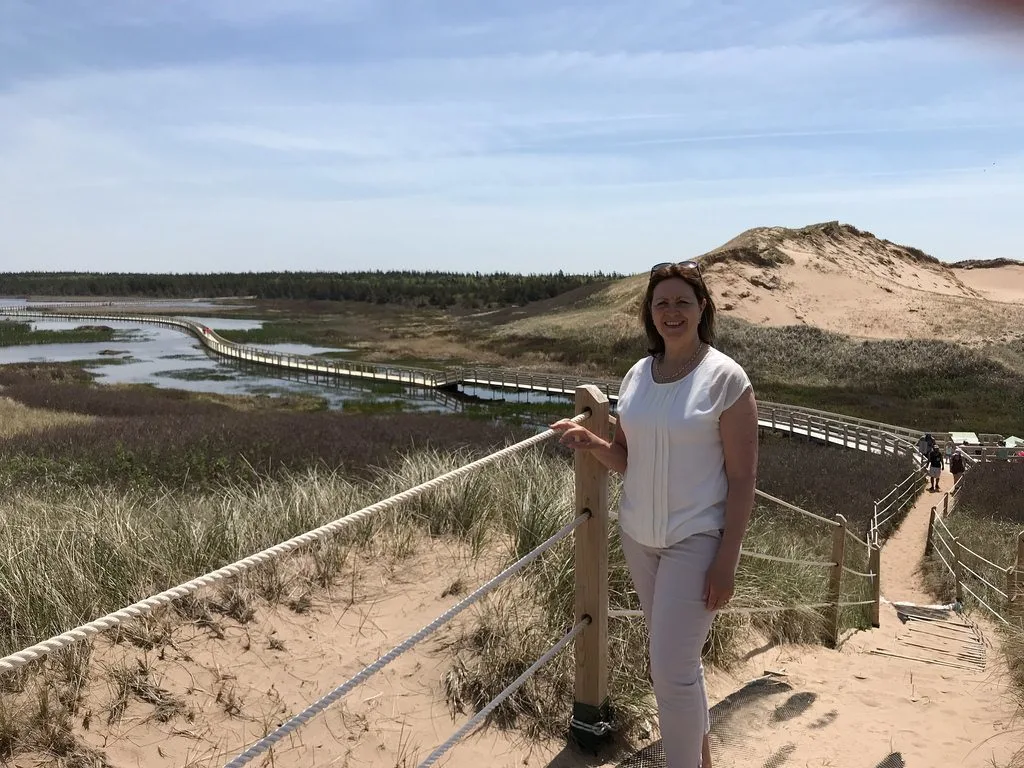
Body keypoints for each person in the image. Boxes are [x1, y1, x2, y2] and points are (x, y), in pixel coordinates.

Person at [550, 261, 758, 768]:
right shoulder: (638, 375)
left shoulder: (727, 379)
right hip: (639, 538)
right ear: (649, 311)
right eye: (661, 303)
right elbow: (629, 458)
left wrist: (726, 562)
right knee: (679, 662)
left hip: (698, 539)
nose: (671, 312)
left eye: (682, 302)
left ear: (702, 307)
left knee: (670, 669)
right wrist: (592, 442)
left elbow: (742, 480)